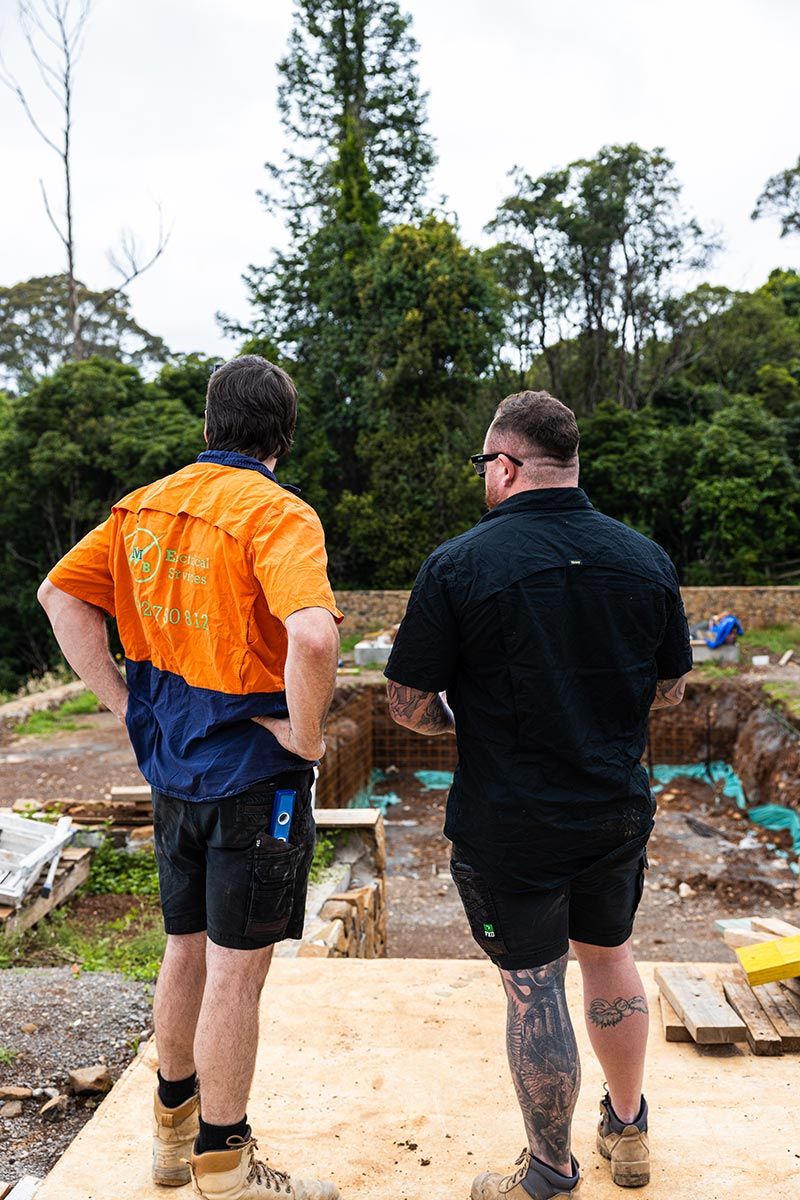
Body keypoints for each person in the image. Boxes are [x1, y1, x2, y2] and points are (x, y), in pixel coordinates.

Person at [38, 356, 342, 1200]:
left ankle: (173, 1138)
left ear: (208, 426)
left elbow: (58, 595)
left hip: (174, 770)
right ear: (282, 435)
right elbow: (314, 640)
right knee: (237, 972)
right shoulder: (277, 514)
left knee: (185, 950)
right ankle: (225, 1160)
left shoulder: (145, 506)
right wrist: (308, 740)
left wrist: (126, 705)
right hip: (254, 778)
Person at [384, 390, 692, 1200]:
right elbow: (672, 692)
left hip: (511, 819)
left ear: (508, 465)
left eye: (487, 464)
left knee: (533, 984)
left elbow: (410, 707)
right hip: (615, 806)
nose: (485, 477)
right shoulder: (646, 560)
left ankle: (550, 1171)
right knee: (610, 954)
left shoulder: (458, 566)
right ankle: (628, 1130)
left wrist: (471, 713)